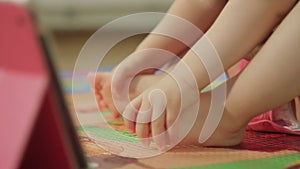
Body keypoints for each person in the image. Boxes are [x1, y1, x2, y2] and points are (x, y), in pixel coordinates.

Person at [88, 0, 300, 149]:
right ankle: (203, 98)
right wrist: (144, 58)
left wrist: (181, 80)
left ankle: (224, 114)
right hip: (264, 77)